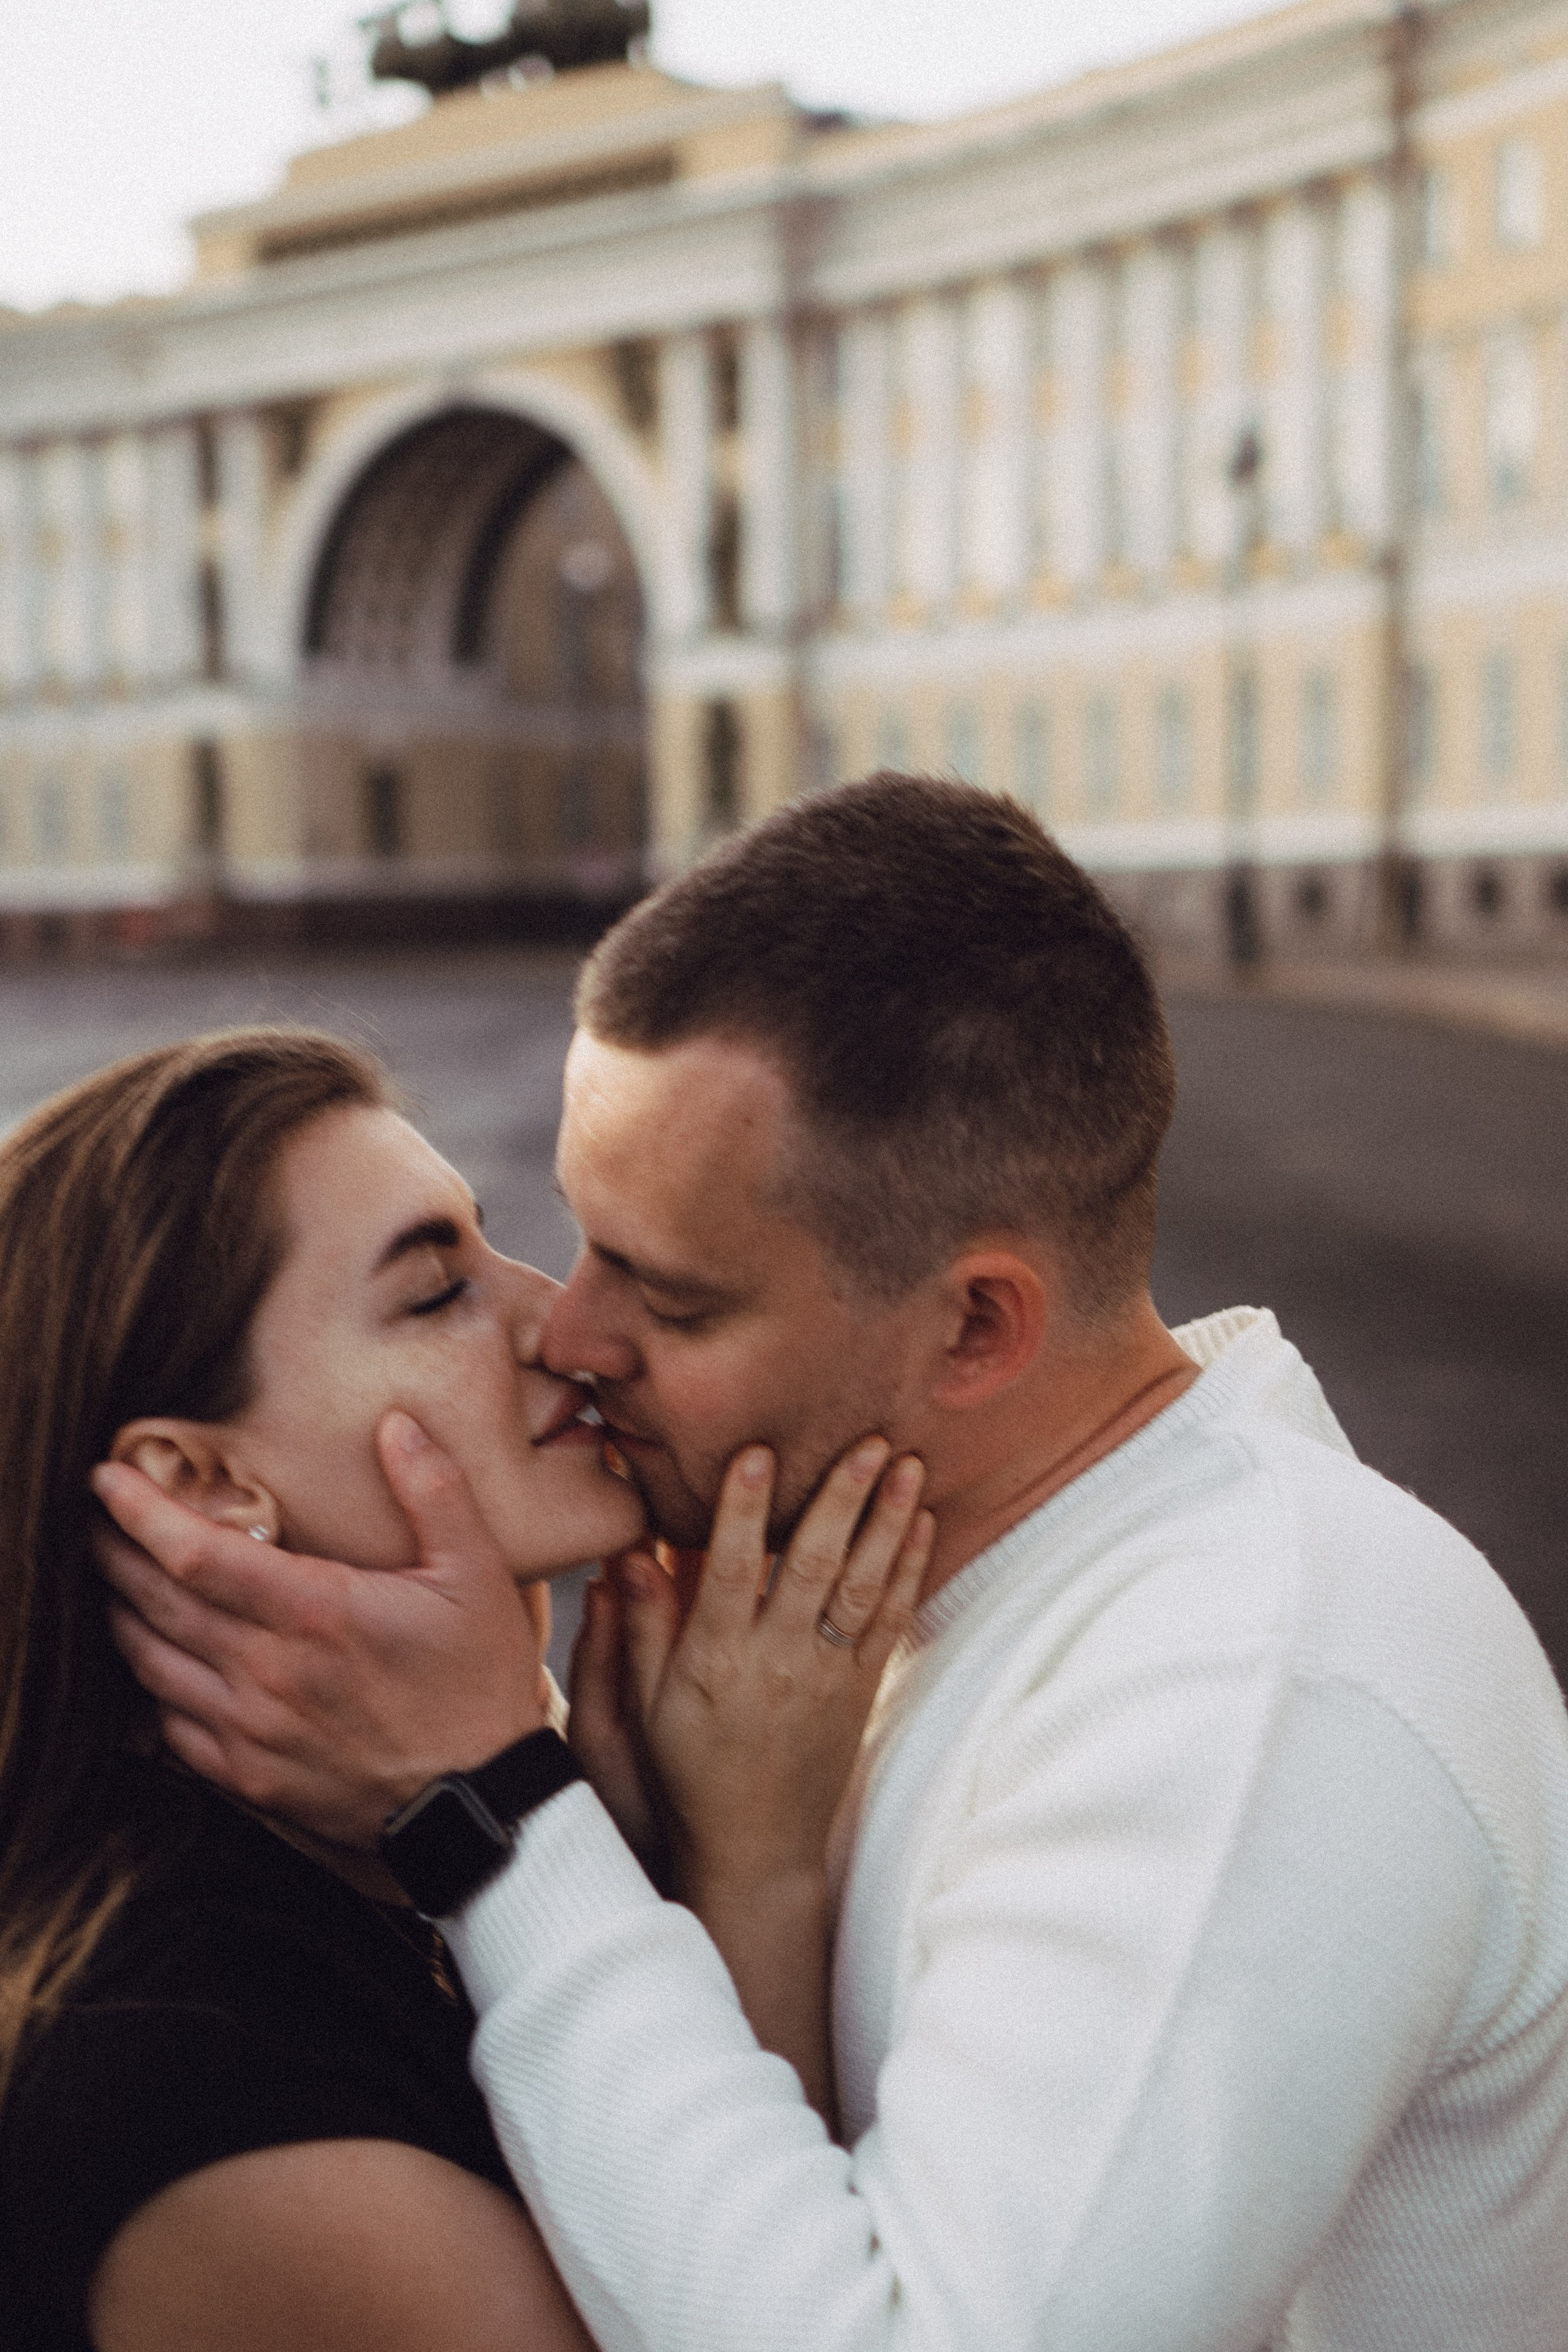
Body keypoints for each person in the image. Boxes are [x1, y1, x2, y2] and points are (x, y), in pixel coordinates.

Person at [99, 777, 1568, 2350]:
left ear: (974, 1327)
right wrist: (710, 1864)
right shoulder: (869, 1621)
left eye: (670, 1300)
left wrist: (495, 1817)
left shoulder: (1251, 1679)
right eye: (579, 1237)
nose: (572, 1335)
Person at [0, 1023, 931, 2352]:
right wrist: (728, 1863)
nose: (558, 1318)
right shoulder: (195, 2086)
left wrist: (619, 1835)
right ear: (200, 1487)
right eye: (436, 1293)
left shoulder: (336, 1881)